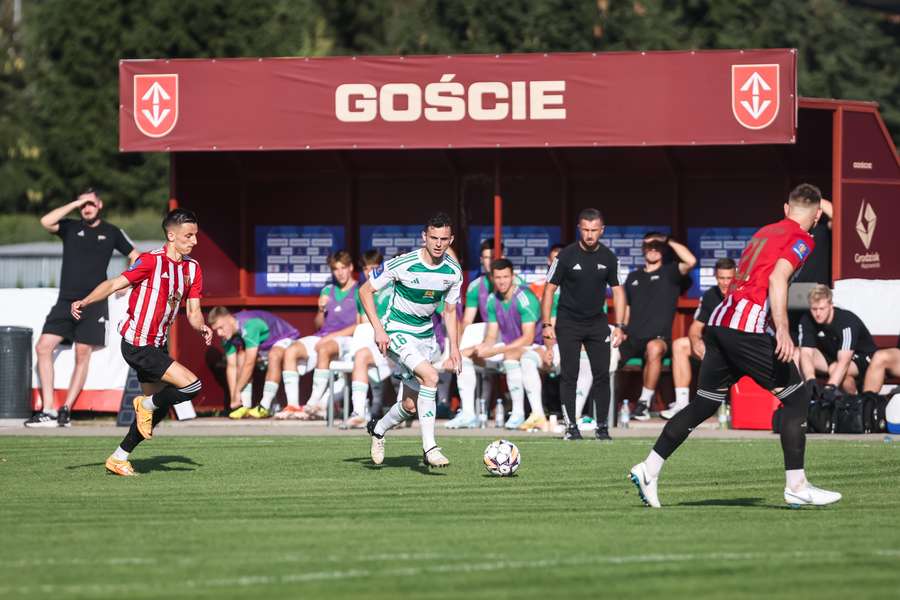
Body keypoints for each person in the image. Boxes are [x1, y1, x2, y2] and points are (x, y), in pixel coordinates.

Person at [630, 183, 842, 508]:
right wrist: (783, 330)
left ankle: (649, 469)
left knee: (704, 405)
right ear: (814, 217)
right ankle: (797, 485)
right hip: (746, 326)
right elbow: (777, 278)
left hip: (720, 320)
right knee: (798, 397)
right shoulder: (803, 237)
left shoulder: (764, 232)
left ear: (785, 209)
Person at [71, 208, 212, 477]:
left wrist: (201, 326)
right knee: (192, 385)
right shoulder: (150, 261)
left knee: (156, 411)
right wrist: (85, 302)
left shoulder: (192, 269)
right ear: (171, 235)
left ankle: (119, 457)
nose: (194, 241)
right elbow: (114, 284)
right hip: (137, 343)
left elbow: (193, 311)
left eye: (195, 235)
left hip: (157, 345)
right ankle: (144, 404)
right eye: (188, 235)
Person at [26, 189, 139, 428]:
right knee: (43, 347)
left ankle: (65, 410)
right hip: (65, 301)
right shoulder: (69, 227)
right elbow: (46, 221)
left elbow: (136, 255)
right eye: (83, 205)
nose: (87, 208)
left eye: (91, 204)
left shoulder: (112, 232)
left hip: (94, 301)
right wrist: (75, 202)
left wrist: (125, 282)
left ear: (100, 204)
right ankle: (48, 410)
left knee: (82, 353)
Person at [361, 213, 463, 467]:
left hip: (425, 337)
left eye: (444, 239)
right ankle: (430, 448)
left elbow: (450, 312)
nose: (438, 244)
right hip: (396, 331)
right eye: (433, 238)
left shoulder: (453, 272)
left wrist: (455, 350)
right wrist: (378, 329)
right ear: (424, 237)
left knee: (409, 405)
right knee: (430, 376)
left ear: (451, 239)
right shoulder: (403, 264)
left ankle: (378, 429)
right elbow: (365, 290)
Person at [541, 207, 625, 441]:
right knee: (570, 374)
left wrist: (619, 324)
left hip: (597, 323)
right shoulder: (566, 256)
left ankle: (602, 428)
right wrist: (547, 324)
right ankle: (571, 427)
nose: (589, 235)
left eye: (594, 230)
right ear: (579, 229)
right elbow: (548, 291)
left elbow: (618, 291)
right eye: (585, 230)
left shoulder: (609, 258)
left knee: (602, 374)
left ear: (602, 230)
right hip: (568, 322)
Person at [455, 259, 547, 430]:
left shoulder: (524, 297)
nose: (502, 281)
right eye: (498, 277)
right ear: (492, 278)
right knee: (463, 355)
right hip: (508, 347)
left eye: (505, 276)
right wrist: (483, 348)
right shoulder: (492, 299)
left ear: (512, 276)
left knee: (511, 356)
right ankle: (468, 413)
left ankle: (521, 413)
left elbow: (528, 338)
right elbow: (491, 335)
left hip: (535, 348)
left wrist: (497, 350)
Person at [619, 232, 697, 421]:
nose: (653, 250)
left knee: (653, 348)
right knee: (604, 354)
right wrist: (621, 329)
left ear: (663, 250)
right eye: (649, 247)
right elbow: (627, 309)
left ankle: (643, 404)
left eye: (657, 247)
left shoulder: (669, 273)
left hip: (658, 339)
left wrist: (668, 240)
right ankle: (598, 408)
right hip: (632, 338)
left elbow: (691, 261)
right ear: (643, 250)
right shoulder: (633, 277)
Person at [281, 250, 359, 420]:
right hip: (323, 336)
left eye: (343, 268)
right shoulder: (327, 290)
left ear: (351, 267)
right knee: (290, 351)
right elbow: (318, 325)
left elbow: (360, 325)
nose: (340, 273)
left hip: (348, 340)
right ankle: (293, 405)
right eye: (336, 269)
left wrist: (332, 337)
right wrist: (321, 309)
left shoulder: (359, 290)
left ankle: (313, 402)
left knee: (324, 348)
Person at [665, 258, 736, 419]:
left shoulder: (743, 295)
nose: (725, 283)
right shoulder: (710, 295)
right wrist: (696, 341)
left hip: (738, 348)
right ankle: (681, 403)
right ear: (715, 277)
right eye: (721, 278)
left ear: (735, 277)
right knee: (680, 345)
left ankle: (734, 406)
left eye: (729, 278)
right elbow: (695, 328)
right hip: (714, 348)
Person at [207, 307, 299, 419]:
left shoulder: (249, 325)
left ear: (230, 319)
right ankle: (245, 406)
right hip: (264, 348)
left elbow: (250, 362)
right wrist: (233, 397)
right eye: (216, 330)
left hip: (286, 339)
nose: (219, 333)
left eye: (221, 327)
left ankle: (266, 405)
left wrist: (237, 391)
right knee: (241, 357)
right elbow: (231, 366)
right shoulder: (226, 335)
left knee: (273, 355)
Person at [798, 285, 878, 397]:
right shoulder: (807, 320)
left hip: (863, 358)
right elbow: (806, 352)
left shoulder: (846, 321)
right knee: (796, 354)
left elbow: (844, 361)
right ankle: (803, 398)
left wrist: (830, 387)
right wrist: (810, 378)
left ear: (831, 305)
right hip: (833, 357)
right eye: (814, 309)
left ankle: (853, 402)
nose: (818, 314)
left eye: (822, 309)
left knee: (835, 369)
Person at [345, 250, 395, 428]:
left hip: (395, 342)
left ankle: (378, 407)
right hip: (373, 344)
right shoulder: (363, 292)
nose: (369, 272)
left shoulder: (392, 288)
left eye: (374, 268)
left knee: (363, 353)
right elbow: (363, 324)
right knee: (361, 355)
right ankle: (359, 412)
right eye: (366, 268)